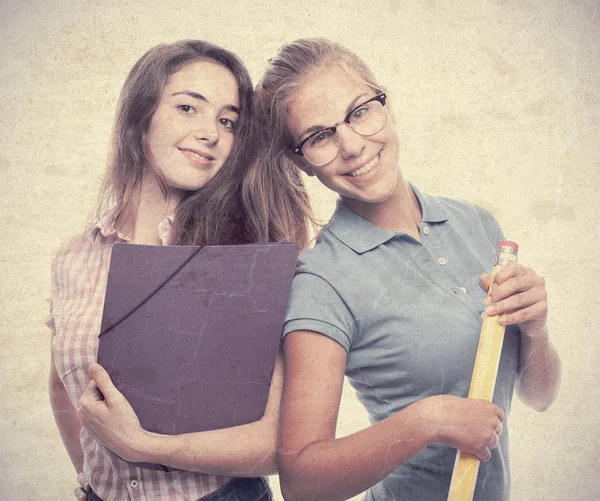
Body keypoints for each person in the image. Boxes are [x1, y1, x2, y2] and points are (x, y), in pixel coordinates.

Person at [253, 38, 562, 501]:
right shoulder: (320, 283)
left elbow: (539, 397)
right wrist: (428, 420)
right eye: (320, 136)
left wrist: (536, 329)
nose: (353, 146)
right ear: (300, 161)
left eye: (359, 112)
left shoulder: (477, 225)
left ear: (386, 103)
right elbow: (302, 481)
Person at [47, 39, 311, 501]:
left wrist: (143, 446)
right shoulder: (74, 257)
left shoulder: (247, 257)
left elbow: (279, 443)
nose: (210, 132)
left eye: (227, 120)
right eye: (189, 108)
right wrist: (91, 481)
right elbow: (63, 383)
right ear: (140, 115)